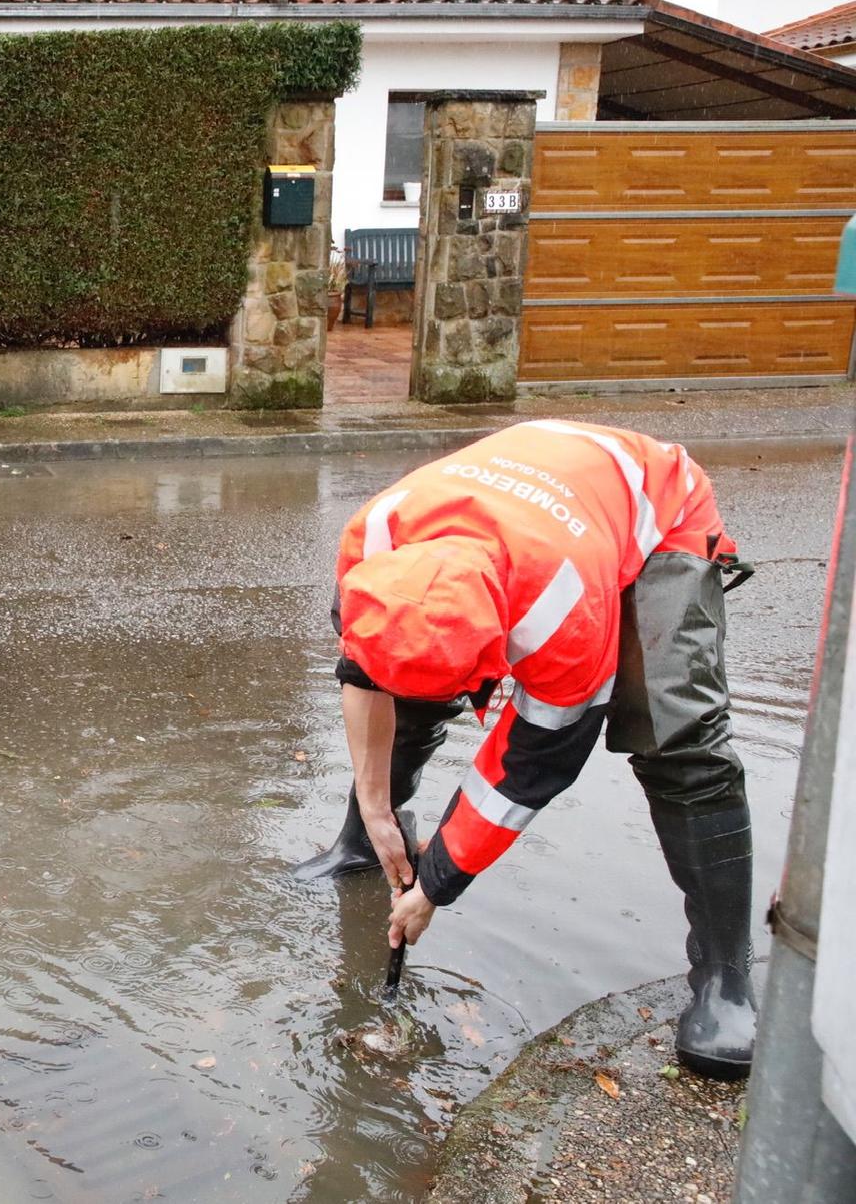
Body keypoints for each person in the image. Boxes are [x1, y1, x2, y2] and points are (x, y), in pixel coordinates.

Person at [295, 420, 758, 1080]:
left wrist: (437, 882)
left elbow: (526, 770)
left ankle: (725, 976)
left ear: (496, 651)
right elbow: (368, 674)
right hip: (543, 487)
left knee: (679, 734)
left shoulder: (566, 612)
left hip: (658, 513)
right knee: (415, 678)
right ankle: (365, 843)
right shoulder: (372, 543)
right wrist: (373, 807)